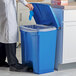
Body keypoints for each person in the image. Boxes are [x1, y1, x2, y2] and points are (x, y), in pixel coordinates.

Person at [0, 0, 34, 72]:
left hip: (3, 4)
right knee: (10, 30)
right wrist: (26, 4)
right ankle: (13, 64)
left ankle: (1, 60)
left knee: (3, 31)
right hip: (7, 5)